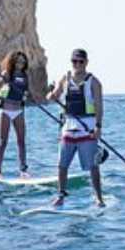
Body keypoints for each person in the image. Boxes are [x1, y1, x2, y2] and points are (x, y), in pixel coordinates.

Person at [47, 48, 105, 207]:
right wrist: (51, 95)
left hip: (87, 129)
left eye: (81, 61)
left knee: (93, 166)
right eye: (75, 61)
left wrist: (98, 127)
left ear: (86, 62)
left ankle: (99, 198)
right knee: (62, 165)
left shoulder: (94, 82)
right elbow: (54, 95)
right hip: (68, 128)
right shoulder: (65, 78)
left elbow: (99, 106)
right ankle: (61, 195)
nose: (77, 64)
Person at [0, 50, 33, 179]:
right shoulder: (7, 74)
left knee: (21, 141)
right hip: (5, 110)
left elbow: (26, 92)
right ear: (13, 62)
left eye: (23, 61)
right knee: (3, 142)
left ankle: (23, 170)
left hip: (19, 111)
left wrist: (26, 95)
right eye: (18, 61)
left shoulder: (25, 76)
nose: (21, 63)